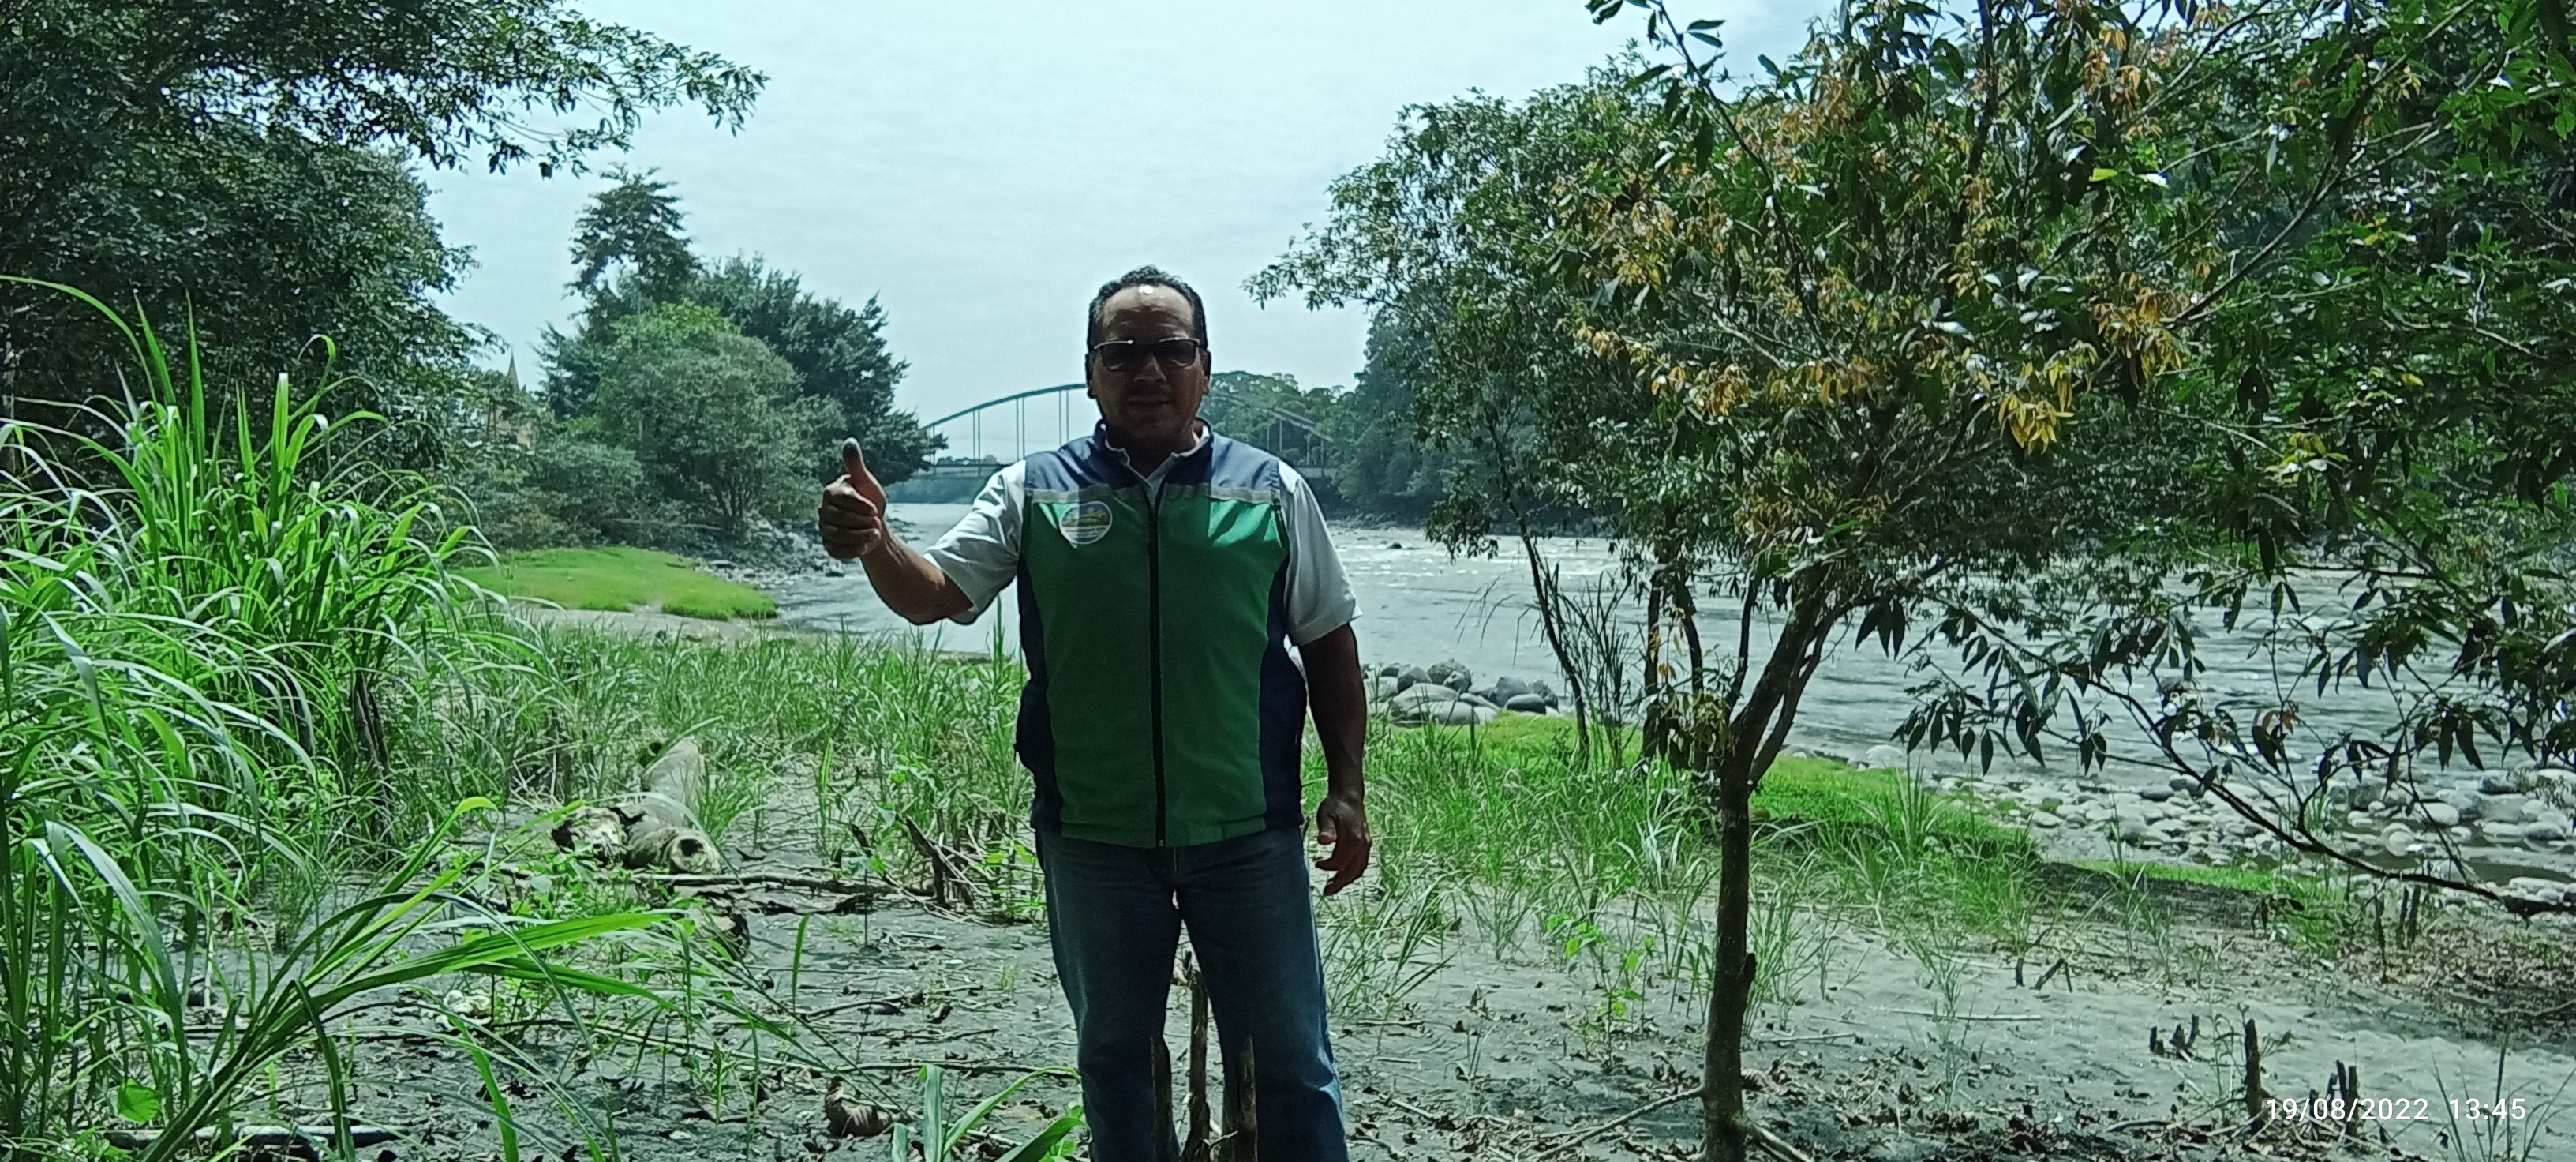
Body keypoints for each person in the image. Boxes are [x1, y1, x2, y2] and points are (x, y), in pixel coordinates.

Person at [817, 265, 1368, 1160]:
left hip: (1249, 832)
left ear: (1205, 367)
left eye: (1171, 350)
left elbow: (1329, 639)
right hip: (1093, 836)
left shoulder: (1270, 489)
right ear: (1089, 372)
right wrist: (878, 541)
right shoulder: (1032, 490)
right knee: (1116, 1061)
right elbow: (935, 594)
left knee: (1289, 1063)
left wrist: (1347, 787)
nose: (1148, 370)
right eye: (1123, 353)